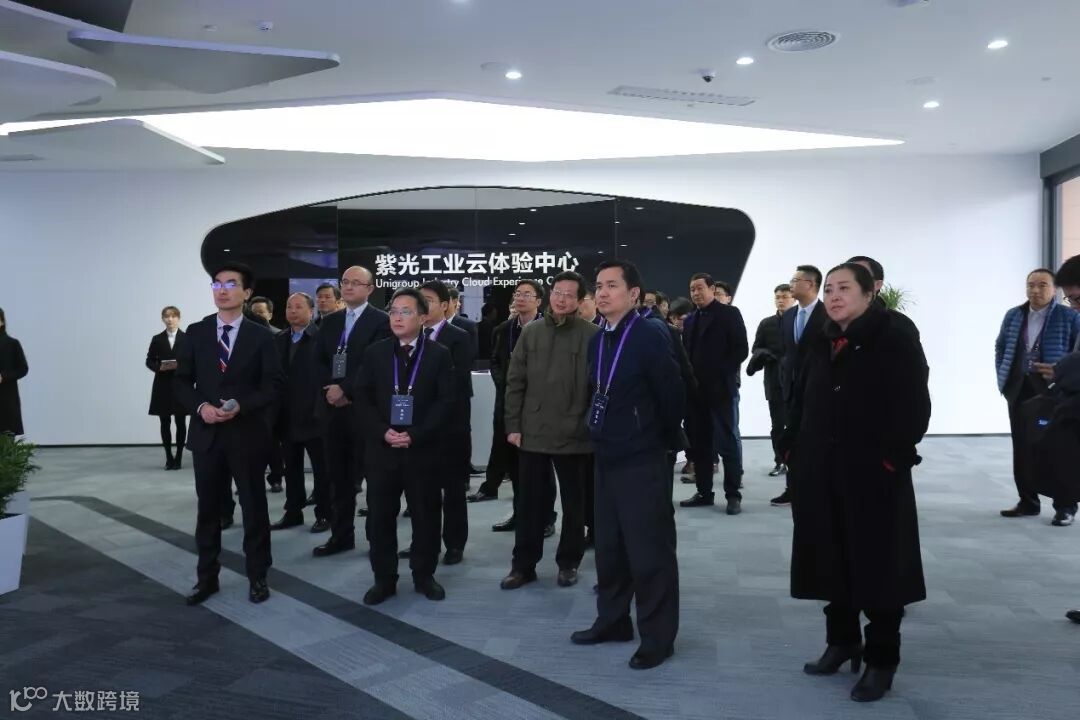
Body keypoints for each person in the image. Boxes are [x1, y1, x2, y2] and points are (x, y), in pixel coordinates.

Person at [782, 262, 930, 703]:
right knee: (830, 559)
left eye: (844, 288)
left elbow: (914, 405)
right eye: (829, 289)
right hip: (821, 469)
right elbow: (801, 394)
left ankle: (881, 660)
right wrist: (791, 447)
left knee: (879, 568)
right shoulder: (822, 336)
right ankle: (842, 641)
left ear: (869, 293)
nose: (833, 296)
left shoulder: (894, 336)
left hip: (873, 474)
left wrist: (891, 458)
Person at [571, 260, 684, 671]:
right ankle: (613, 621)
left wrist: (657, 440)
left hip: (642, 457)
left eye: (612, 285)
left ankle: (658, 637)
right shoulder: (599, 337)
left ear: (634, 293)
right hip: (606, 454)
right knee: (610, 547)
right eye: (598, 286)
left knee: (649, 551)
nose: (601, 293)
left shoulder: (650, 333)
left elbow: (672, 394)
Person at [173, 262, 284, 606]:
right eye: (217, 284)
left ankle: (258, 576)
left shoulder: (261, 335)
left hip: (246, 434)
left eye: (231, 284)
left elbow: (273, 385)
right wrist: (201, 407)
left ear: (247, 293)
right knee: (208, 511)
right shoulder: (196, 332)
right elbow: (180, 382)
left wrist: (242, 405)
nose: (222, 290)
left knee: (254, 508)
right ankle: (207, 578)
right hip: (207, 434)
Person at [354, 288, 456, 605]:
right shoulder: (375, 353)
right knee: (380, 518)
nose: (397, 317)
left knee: (426, 517)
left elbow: (446, 402)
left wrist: (416, 434)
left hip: (422, 451)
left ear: (423, 317)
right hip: (382, 450)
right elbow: (362, 399)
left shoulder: (439, 354)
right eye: (394, 311)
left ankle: (424, 575)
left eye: (406, 311)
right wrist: (382, 431)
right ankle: (384, 579)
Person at [501, 271, 599, 590]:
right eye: (558, 292)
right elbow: (515, 381)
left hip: (575, 435)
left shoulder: (593, 335)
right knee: (529, 504)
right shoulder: (531, 332)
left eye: (570, 294)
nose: (562, 299)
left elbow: (598, 387)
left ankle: (568, 563)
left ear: (580, 300)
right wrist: (513, 425)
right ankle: (523, 565)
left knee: (574, 505)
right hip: (533, 432)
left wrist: (589, 425)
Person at [312, 266, 391, 558]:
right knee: (338, 478)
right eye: (344, 282)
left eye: (355, 283)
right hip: (333, 411)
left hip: (365, 411)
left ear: (370, 289)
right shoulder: (330, 321)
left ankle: (376, 538)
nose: (348, 287)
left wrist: (345, 389)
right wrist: (330, 389)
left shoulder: (381, 321)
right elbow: (318, 360)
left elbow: (374, 363)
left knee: (374, 478)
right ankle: (341, 535)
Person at [994, 268, 1080, 525]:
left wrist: (1063, 375)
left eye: (1042, 285)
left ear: (1054, 290)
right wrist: (1004, 376)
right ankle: (1027, 501)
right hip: (1019, 387)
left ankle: (1065, 506)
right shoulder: (1014, 315)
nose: (1035, 290)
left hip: (1054, 389)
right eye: (1031, 284)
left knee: (1060, 448)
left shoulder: (1069, 316)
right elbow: (1001, 346)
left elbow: (1077, 352)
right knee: (1021, 446)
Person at [468, 282, 543, 520]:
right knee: (505, 450)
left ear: (538, 301)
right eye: (517, 294)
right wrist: (507, 384)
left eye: (527, 294)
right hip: (507, 400)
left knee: (537, 464)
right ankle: (518, 515)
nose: (520, 298)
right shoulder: (503, 329)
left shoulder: (546, 328)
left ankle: (545, 517)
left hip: (538, 403)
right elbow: (495, 362)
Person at [681, 273, 748, 514]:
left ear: (711, 288)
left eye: (699, 288)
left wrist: (720, 374)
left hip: (721, 391)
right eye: (692, 289)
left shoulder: (730, 314)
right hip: (696, 394)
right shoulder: (690, 319)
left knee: (727, 444)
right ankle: (704, 492)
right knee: (700, 445)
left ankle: (733, 494)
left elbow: (741, 349)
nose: (695, 293)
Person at [418, 281, 475, 564]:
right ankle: (423, 542)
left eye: (428, 300)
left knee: (453, 490)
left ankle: (454, 544)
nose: (422, 306)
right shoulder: (409, 335)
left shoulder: (459, 337)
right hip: (418, 427)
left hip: (450, 426)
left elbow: (457, 382)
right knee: (421, 491)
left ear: (444, 305)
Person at [270, 293, 330, 532]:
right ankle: (293, 512)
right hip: (286, 416)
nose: (292, 311)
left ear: (311, 311)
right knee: (291, 468)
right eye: (289, 306)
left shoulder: (322, 338)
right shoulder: (279, 339)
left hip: (315, 415)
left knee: (321, 470)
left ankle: (325, 513)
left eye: (298, 306)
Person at [773, 265, 827, 507]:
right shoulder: (788, 316)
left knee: (817, 441)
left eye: (795, 280)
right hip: (791, 390)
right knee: (791, 439)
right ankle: (792, 488)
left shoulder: (828, 314)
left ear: (811, 284)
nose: (791, 284)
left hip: (819, 390)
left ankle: (818, 489)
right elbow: (786, 353)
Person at [747, 285, 795, 477]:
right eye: (777, 297)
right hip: (774, 380)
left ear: (793, 298)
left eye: (784, 297)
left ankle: (797, 461)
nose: (780, 300)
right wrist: (765, 354)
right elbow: (756, 348)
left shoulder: (801, 321)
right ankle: (780, 461)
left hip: (797, 381)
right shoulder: (766, 323)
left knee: (798, 424)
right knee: (777, 426)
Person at [146, 306, 188, 470]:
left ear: (178, 318)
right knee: (164, 421)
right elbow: (149, 360)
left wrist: (183, 368)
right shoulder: (157, 339)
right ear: (162, 319)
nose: (170, 319)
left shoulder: (187, 338)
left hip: (180, 384)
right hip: (162, 385)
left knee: (180, 422)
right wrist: (159, 367)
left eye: (173, 316)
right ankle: (169, 457)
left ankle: (179, 457)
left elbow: (193, 359)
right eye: (166, 316)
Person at [446, 285, 481, 476]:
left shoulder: (466, 325)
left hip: (459, 388)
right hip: (431, 390)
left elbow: (470, 356)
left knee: (460, 431)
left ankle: (463, 473)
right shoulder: (424, 325)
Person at [0, 308, 28, 436]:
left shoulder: (12, 344)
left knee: (6, 440)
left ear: (2, 321)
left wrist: (3, 376)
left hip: (6, 400)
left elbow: (23, 369)